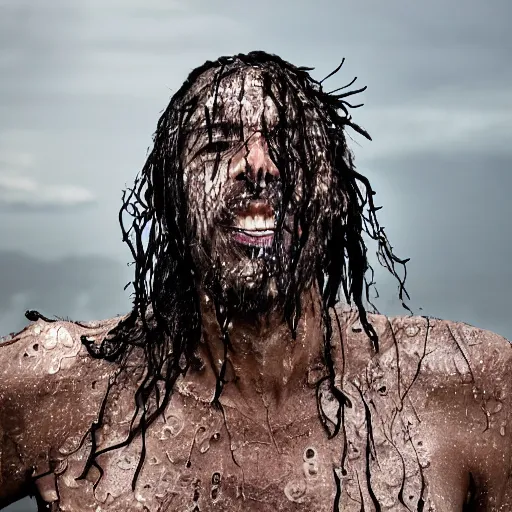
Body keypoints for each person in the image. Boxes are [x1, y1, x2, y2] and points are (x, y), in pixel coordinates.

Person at [0, 51, 511, 512]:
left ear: (334, 193)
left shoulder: (468, 388)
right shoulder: (59, 390)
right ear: (172, 199)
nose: (258, 165)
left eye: (290, 142)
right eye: (218, 143)